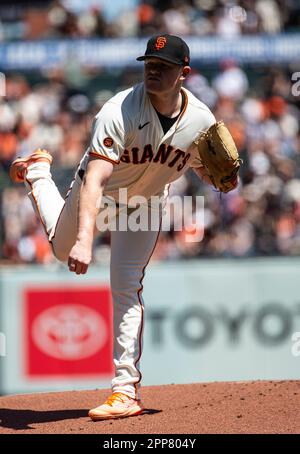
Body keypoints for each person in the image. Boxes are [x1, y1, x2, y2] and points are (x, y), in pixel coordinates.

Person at [10, 34, 226, 420]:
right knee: (62, 251)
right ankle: (40, 173)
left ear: (185, 74)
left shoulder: (202, 121)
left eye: (163, 66)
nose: (153, 71)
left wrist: (221, 178)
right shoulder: (119, 110)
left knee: (126, 286)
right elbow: (95, 179)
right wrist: (83, 241)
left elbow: (205, 169)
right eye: (149, 64)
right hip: (102, 193)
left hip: (145, 202)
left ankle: (125, 391)